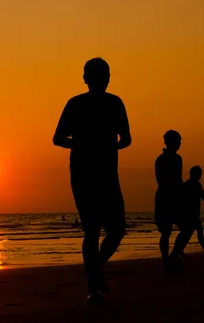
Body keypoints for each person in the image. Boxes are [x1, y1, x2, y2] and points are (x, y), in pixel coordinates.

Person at [53, 57, 131, 302]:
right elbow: (58, 138)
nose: (103, 78)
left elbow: (126, 139)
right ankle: (93, 284)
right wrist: (88, 144)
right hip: (86, 173)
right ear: (87, 78)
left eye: (105, 74)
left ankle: (94, 276)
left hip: (104, 172)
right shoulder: (76, 104)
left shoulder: (114, 103)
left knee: (112, 230)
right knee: (97, 230)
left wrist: (101, 146)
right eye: (100, 74)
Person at [154, 130, 194, 271]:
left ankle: (172, 256)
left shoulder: (177, 159)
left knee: (187, 228)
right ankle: (167, 261)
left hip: (174, 197)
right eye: (176, 141)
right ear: (168, 142)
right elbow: (164, 181)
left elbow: (178, 179)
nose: (178, 144)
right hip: (166, 197)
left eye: (179, 141)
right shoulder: (161, 160)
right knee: (166, 232)